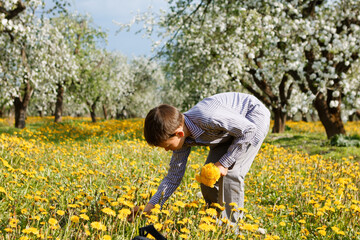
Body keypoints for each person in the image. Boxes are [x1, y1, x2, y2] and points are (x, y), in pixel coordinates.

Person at [128, 92, 270, 226]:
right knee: (207, 177)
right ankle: (214, 221)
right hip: (229, 131)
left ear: (179, 133)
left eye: (167, 146)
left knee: (230, 173)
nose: (166, 150)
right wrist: (151, 207)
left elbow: (248, 130)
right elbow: (173, 177)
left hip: (252, 119)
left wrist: (224, 163)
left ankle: (231, 229)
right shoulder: (182, 139)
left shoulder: (208, 117)